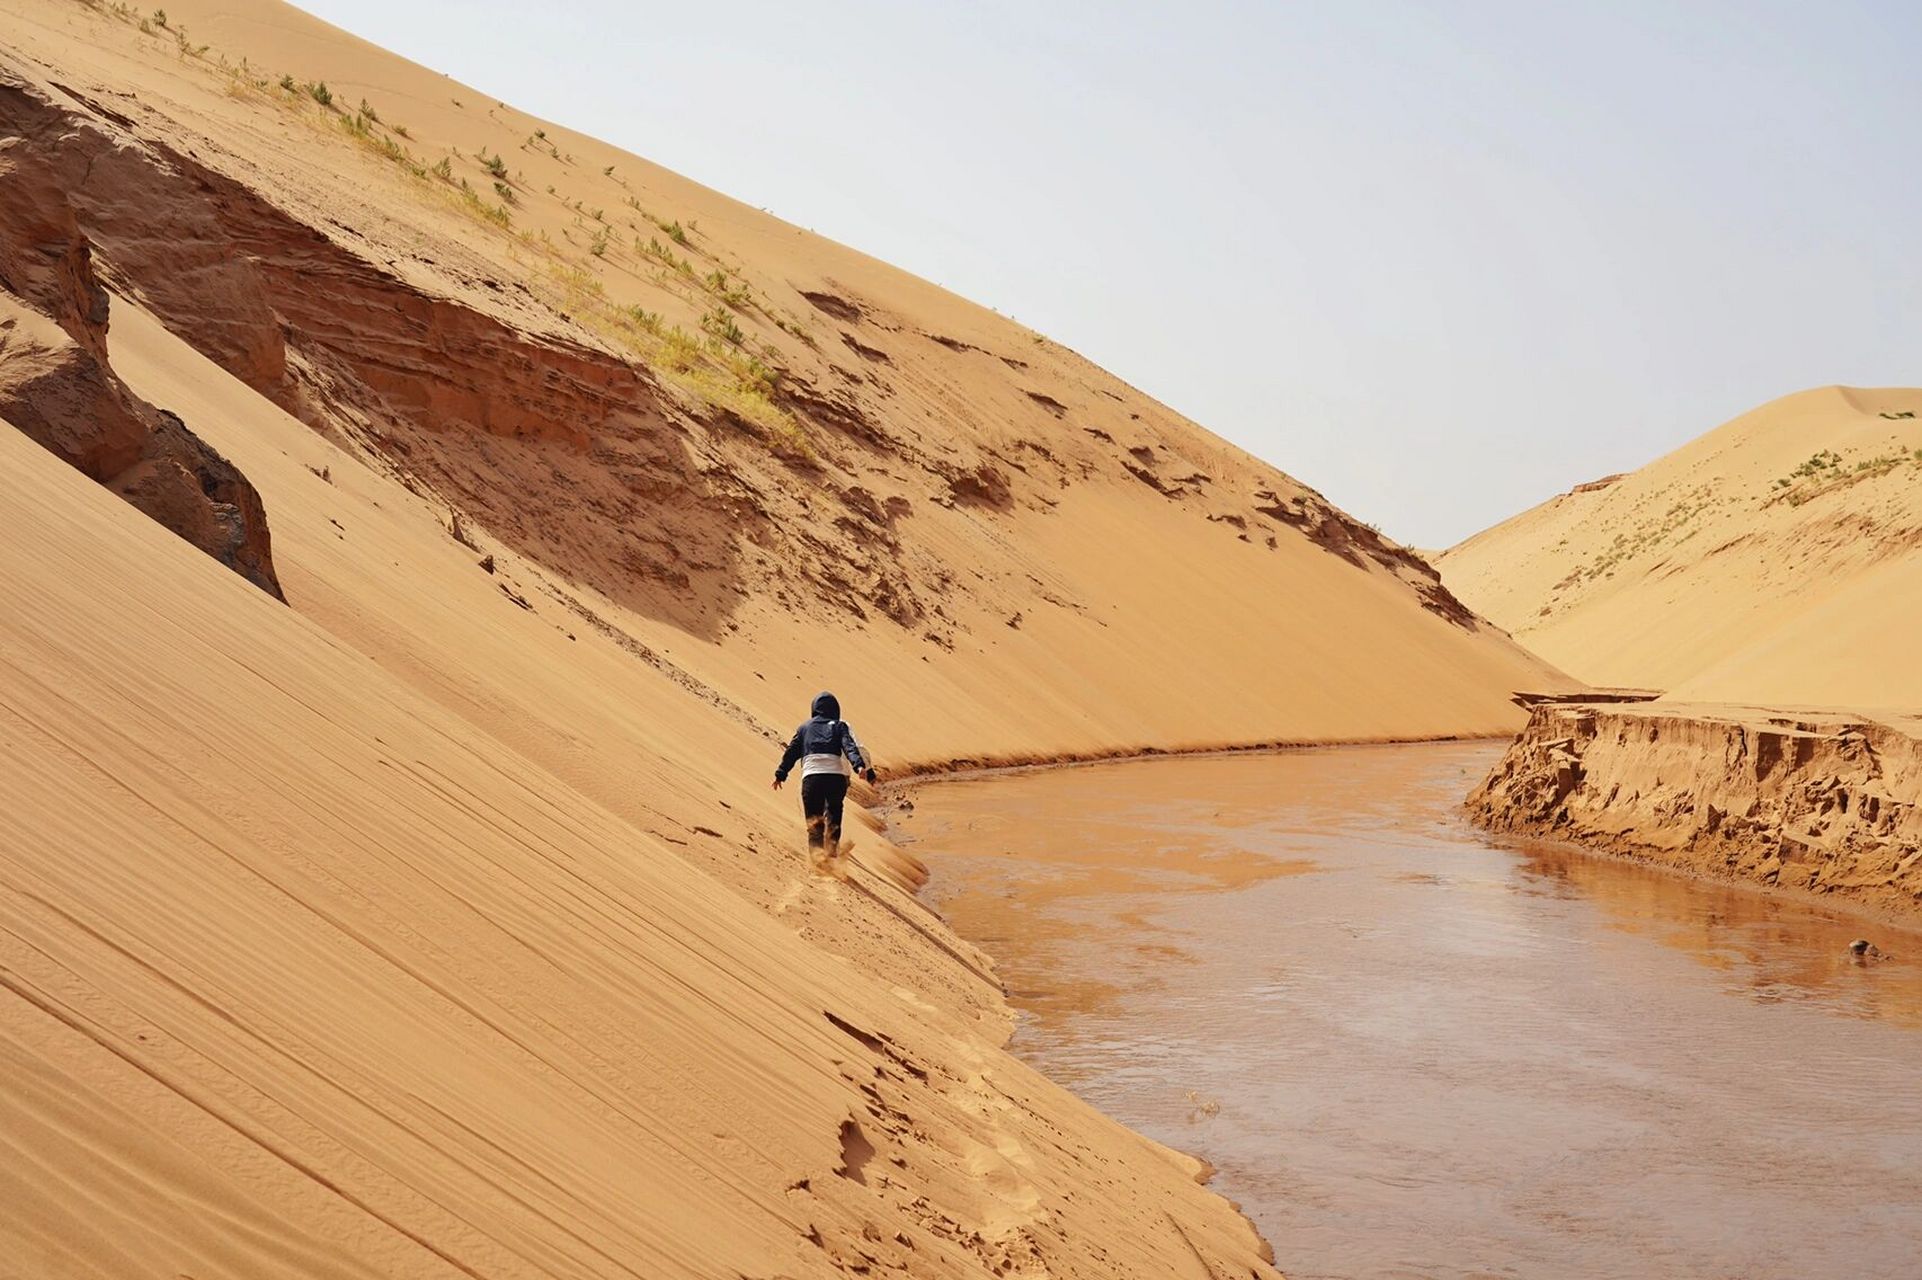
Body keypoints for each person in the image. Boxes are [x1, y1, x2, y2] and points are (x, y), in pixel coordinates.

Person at [773, 691, 876, 872]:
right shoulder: (839, 726)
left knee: (814, 822)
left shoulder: (804, 728)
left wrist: (780, 774)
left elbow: (791, 752)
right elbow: (849, 746)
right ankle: (832, 855)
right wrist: (859, 766)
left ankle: (817, 862)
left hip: (812, 778)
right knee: (834, 815)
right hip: (835, 779)